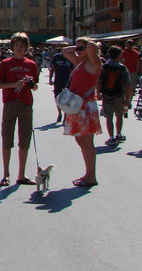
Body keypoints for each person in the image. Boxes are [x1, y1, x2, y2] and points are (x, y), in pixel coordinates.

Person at [0, 32, 39, 187]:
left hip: (26, 104)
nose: (19, 49)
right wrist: (14, 84)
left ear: (26, 47)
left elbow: (36, 87)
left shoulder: (31, 64)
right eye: (17, 46)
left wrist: (32, 84)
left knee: (24, 140)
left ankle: (21, 174)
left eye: (22, 46)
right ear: (12, 47)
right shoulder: (6, 63)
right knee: (7, 139)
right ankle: (5, 174)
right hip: (10, 104)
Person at [60, 37, 103, 187]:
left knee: (87, 142)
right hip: (77, 106)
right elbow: (65, 51)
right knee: (80, 139)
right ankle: (88, 173)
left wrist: (89, 45)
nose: (77, 51)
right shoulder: (81, 63)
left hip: (85, 107)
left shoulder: (94, 63)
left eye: (80, 48)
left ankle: (91, 175)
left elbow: (91, 45)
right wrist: (79, 48)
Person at [99, 45, 132, 146]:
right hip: (119, 95)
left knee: (109, 117)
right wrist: (128, 99)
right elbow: (128, 85)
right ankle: (118, 134)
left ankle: (111, 137)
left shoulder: (104, 67)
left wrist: (98, 93)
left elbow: (99, 81)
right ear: (119, 55)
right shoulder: (122, 68)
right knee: (119, 116)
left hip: (106, 95)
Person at [49, 46, 74, 123]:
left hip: (67, 82)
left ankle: (66, 115)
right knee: (57, 98)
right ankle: (59, 113)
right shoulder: (56, 57)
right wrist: (50, 79)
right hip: (58, 81)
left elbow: (72, 70)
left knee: (67, 99)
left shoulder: (71, 57)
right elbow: (52, 68)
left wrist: (72, 81)